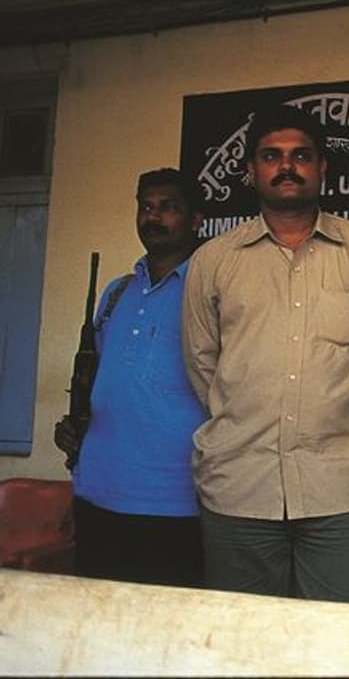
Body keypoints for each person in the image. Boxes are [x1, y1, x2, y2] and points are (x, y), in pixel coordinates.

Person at [182, 104, 349, 604]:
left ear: (322, 166)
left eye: (301, 155)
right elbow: (203, 364)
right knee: (242, 637)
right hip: (239, 488)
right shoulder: (213, 260)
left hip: (341, 490)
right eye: (271, 156)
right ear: (250, 170)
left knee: (339, 636)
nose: (287, 166)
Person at [53, 168, 208, 587]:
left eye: (168, 208)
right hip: (97, 495)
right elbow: (99, 382)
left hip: (176, 503)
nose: (153, 217)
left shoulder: (210, 292)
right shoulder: (117, 292)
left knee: (165, 624)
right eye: (146, 207)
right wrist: (75, 432)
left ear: (195, 220)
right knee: (98, 619)